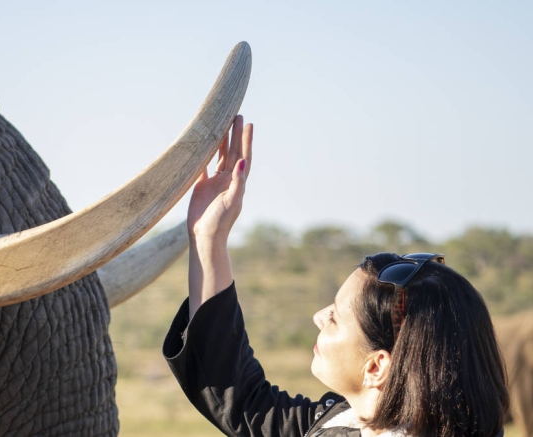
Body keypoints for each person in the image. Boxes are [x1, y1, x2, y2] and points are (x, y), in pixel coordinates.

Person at [162, 115, 509, 437]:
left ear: (377, 367)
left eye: (336, 319)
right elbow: (243, 402)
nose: (318, 317)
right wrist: (209, 237)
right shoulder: (343, 422)